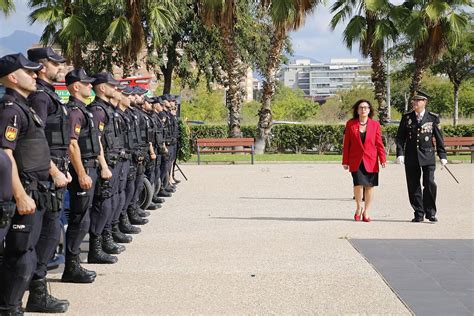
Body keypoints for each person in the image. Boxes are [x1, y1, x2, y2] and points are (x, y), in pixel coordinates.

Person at [0, 53, 64, 314]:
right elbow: (6, 154)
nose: (36, 75)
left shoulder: (25, 108)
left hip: (36, 190)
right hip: (24, 192)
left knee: (29, 255)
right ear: (13, 77)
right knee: (20, 256)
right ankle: (9, 308)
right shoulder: (11, 110)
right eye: (29, 72)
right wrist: (20, 195)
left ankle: (13, 306)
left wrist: (54, 171)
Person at [26, 47, 72, 313]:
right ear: (43, 66)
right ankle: (37, 292)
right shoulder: (41, 98)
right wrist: (54, 170)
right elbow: (37, 138)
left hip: (53, 173)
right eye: (56, 63)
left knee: (51, 232)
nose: (60, 68)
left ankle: (38, 289)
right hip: (45, 176)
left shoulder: (49, 95)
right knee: (43, 235)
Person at [61, 68, 101, 283]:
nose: (90, 87)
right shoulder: (75, 111)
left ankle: (74, 264)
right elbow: (72, 144)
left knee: (83, 218)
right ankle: (71, 266)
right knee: (78, 219)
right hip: (82, 169)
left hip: (89, 166)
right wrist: (82, 173)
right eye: (86, 84)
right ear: (76, 86)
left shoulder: (83, 110)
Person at [395, 90, 447, 223]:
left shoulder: (432, 117)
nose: (415, 103)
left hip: (428, 155)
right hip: (411, 156)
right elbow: (400, 137)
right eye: (414, 100)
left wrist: (442, 155)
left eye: (418, 101)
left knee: (429, 184)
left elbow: (439, 138)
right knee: (413, 185)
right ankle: (418, 212)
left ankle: (430, 212)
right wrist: (400, 153)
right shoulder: (407, 117)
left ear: (425, 102)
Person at [342, 99, 386, 222]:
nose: (363, 109)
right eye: (361, 107)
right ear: (357, 110)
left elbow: (379, 143)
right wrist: (345, 161)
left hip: (371, 160)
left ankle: (366, 211)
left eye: (366, 107)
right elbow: (347, 144)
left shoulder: (375, 125)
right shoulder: (350, 124)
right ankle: (358, 208)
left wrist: (382, 158)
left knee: (370, 186)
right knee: (358, 185)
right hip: (355, 159)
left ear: (369, 110)